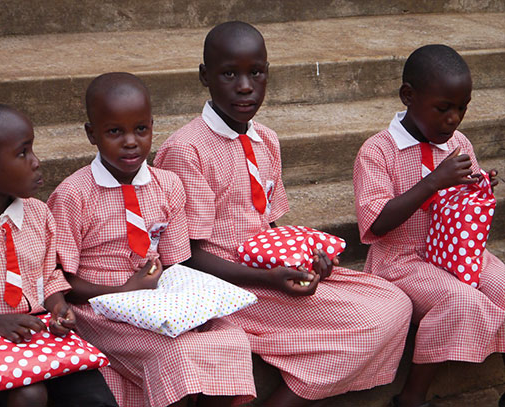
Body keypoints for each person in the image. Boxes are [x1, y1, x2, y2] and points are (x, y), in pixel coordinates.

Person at [154, 21, 413, 407]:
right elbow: (185, 256)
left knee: (394, 302)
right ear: (205, 77)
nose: (245, 86)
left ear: (267, 73)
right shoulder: (187, 150)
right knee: (368, 322)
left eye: (256, 73)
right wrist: (270, 278)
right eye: (229, 74)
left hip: (270, 269)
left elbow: (270, 224)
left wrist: (307, 258)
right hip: (224, 283)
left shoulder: (266, 140)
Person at [47, 72, 256, 407]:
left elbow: (176, 261)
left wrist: (186, 301)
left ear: (152, 127)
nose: (131, 141)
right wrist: (123, 291)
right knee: (173, 351)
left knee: (228, 338)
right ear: (91, 134)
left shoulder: (168, 185)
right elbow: (62, 279)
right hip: (98, 309)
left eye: (140, 129)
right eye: (115, 131)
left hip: (157, 301)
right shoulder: (74, 196)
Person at [0, 103, 117, 407]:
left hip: (38, 338)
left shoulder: (39, 213)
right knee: (29, 394)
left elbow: (48, 276)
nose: (35, 162)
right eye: (23, 153)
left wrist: (58, 309)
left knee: (93, 395)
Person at [353, 44, 505, 407]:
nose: (454, 119)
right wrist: (434, 181)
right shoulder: (377, 152)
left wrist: (477, 185)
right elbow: (376, 221)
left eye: (462, 109)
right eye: (443, 108)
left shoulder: (458, 143)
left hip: (455, 249)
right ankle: (411, 397)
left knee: (502, 286)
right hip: (401, 260)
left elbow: (462, 201)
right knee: (461, 300)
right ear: (409, 96)